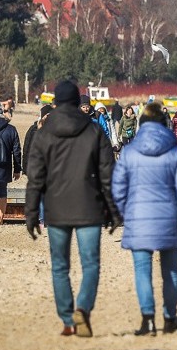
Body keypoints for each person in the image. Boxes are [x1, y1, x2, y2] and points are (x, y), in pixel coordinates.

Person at [25, 81, 122, 337]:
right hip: (89, 206)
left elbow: (35, 176)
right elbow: (107, 175)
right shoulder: (93, 131)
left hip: (56, 208)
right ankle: (84, 309)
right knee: (90, 264)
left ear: (56, 102)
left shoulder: (44, 133)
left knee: (60, 266)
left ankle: (68, 319)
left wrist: (32, 212)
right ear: (79, 103)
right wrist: (112, 209)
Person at [113, 103, 177, 335]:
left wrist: (122, 213)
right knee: (170, 271)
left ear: (141, 124)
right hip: (169, 217)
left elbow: (118, 189)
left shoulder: (129, 152)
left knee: (142, 271)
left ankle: (148, 319)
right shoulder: (175, 152)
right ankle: (170, 318)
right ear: (164, 124)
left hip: (138, 218)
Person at [22, 105, 52, 231]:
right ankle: (41, 219)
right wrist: (25, 167)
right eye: (47, 115)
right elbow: (26, 149)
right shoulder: (33, 130)